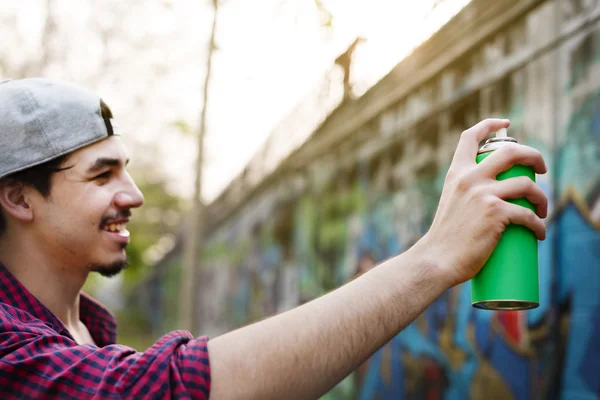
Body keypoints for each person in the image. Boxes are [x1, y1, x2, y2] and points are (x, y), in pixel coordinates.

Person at [0, 78, 548, 399]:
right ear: (20, 198)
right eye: (102, 175)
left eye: (127, 169)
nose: (135, 195)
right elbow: (169, 389)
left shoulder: (89, 330)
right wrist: (433, 259)